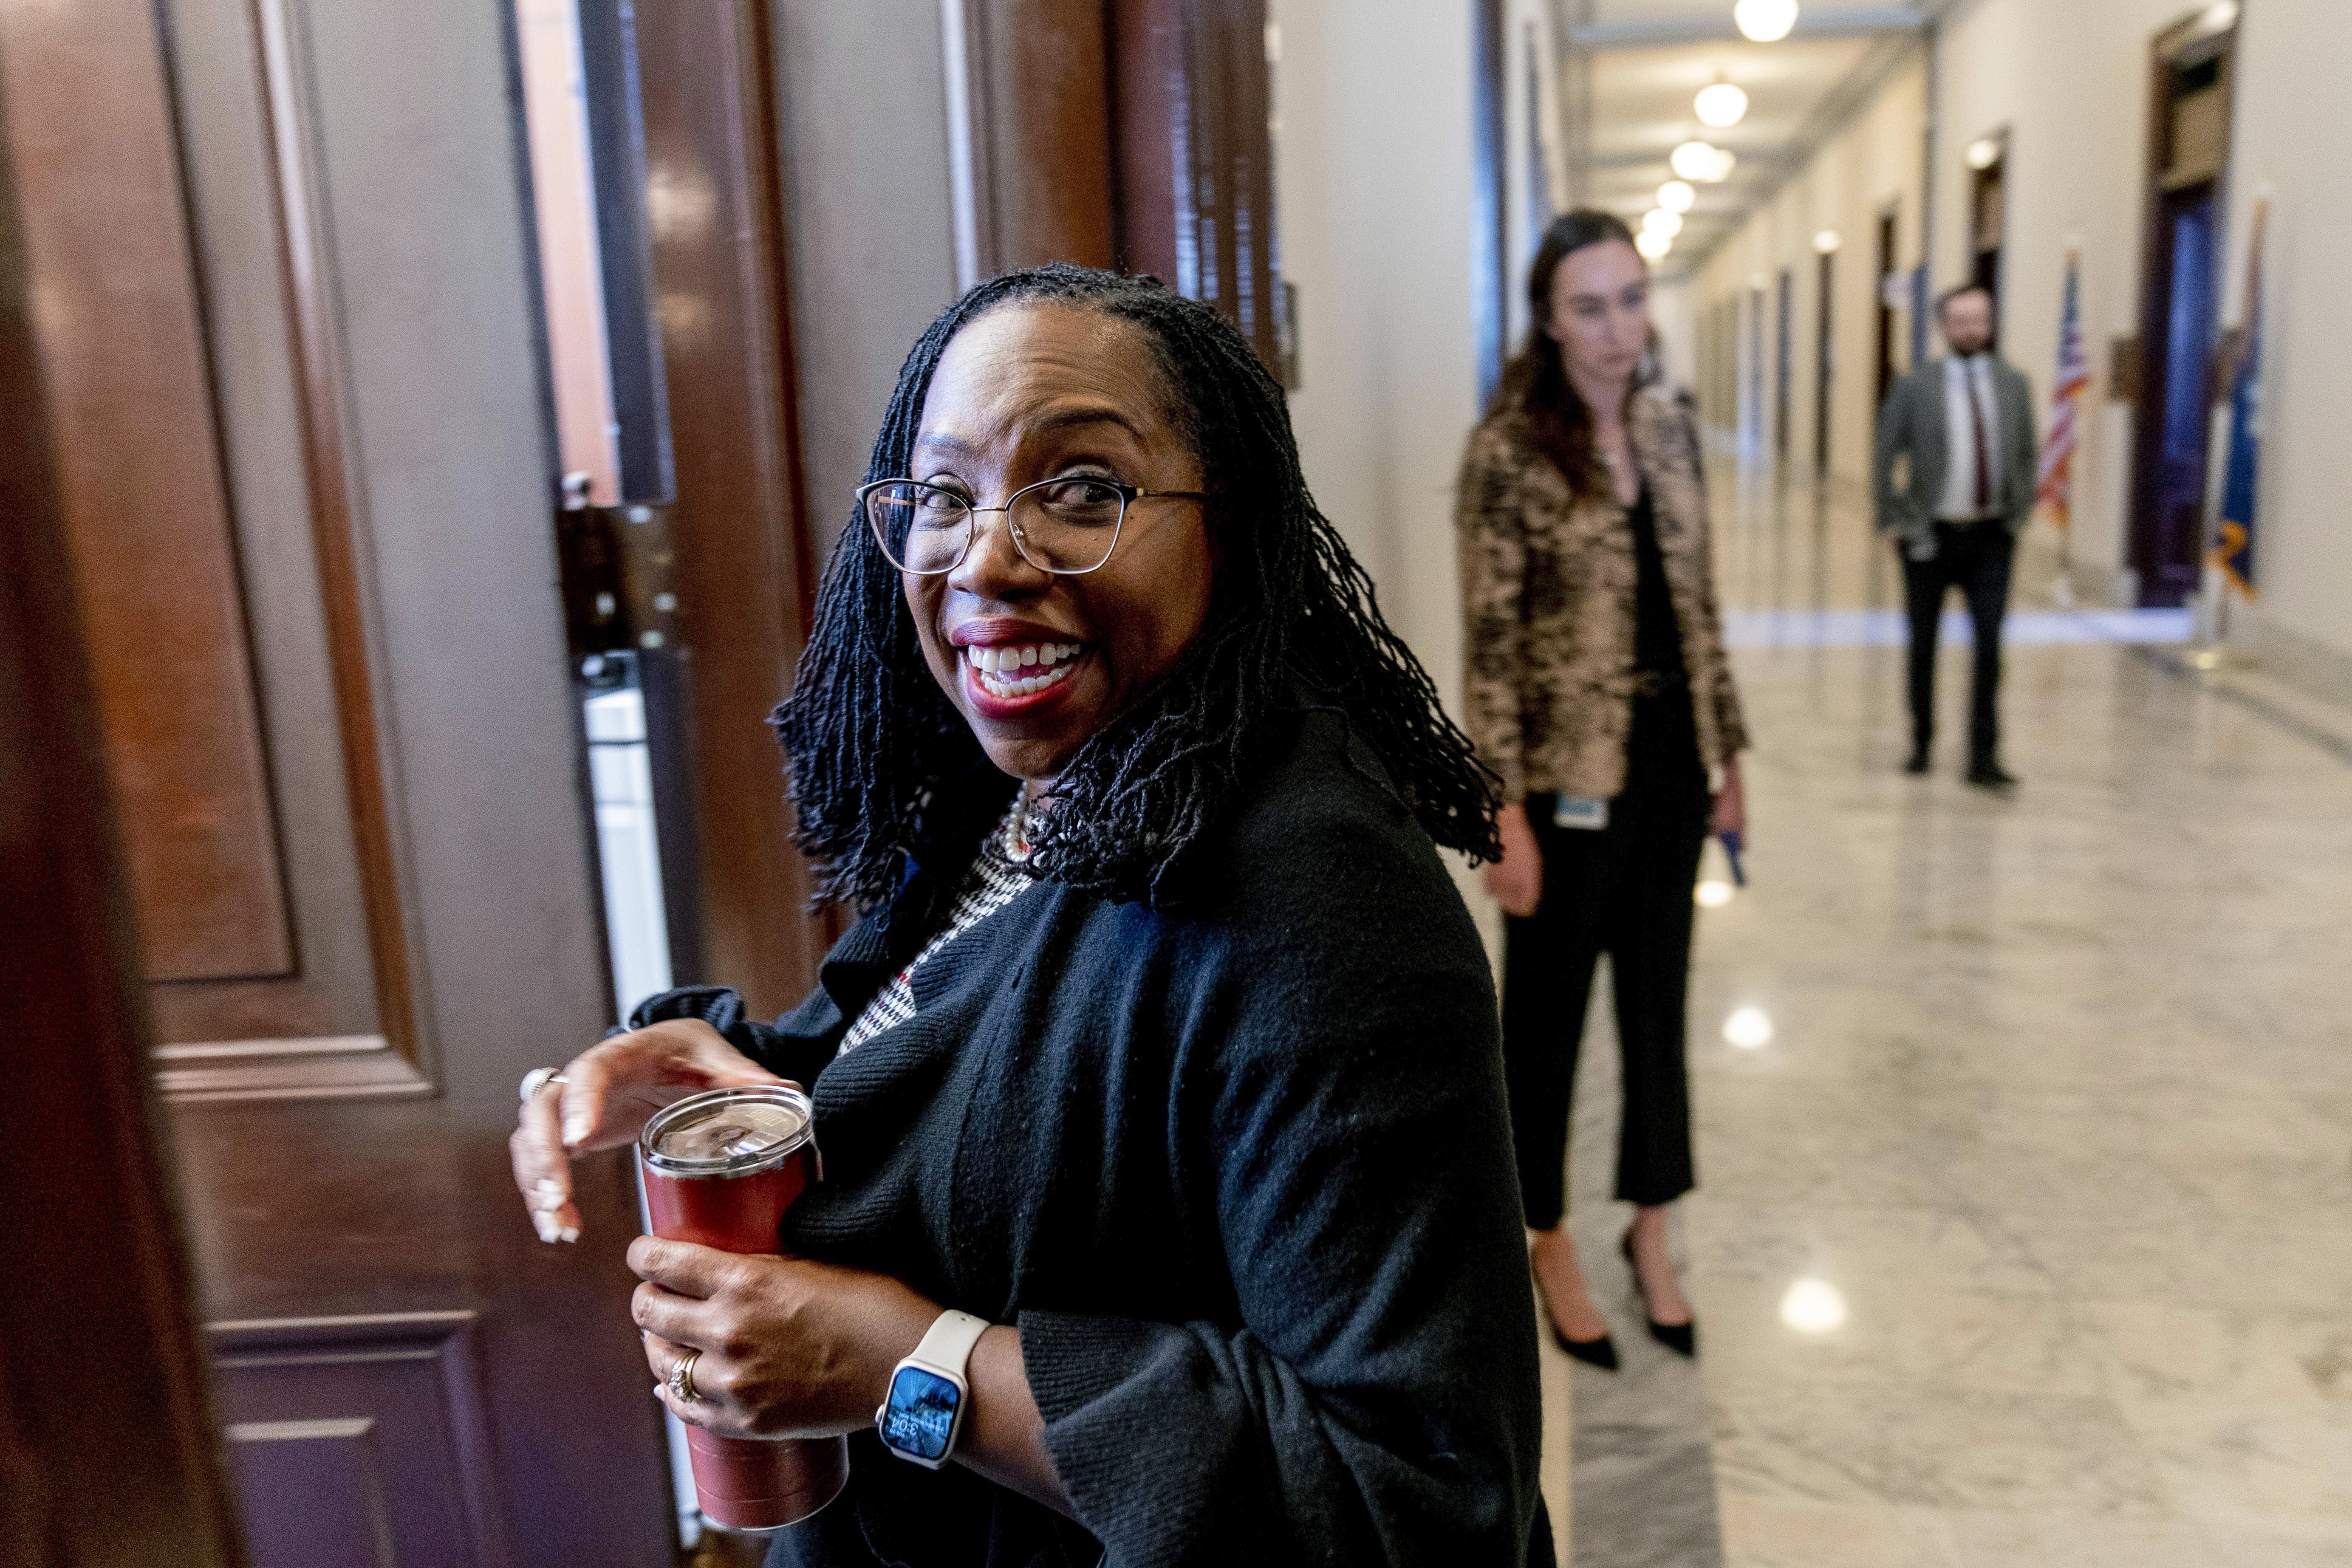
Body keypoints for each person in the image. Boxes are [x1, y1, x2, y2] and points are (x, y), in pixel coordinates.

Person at [510, 266, 1548, 1566]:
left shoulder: (1321, 901)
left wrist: (907, 1368)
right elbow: (992, 1091)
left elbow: (1414, 1503)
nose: (986, 556)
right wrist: (746, 1071)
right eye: (944, 495)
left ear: (1231, 527)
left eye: (1084, 492)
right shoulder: (1033, 792)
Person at [1456, 211, 1749, 1371]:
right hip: (1565, 781)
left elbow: (1701, 603)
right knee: (1547, 1019)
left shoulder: (1674, 435)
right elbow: (1490, 644)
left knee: (1659, 1005)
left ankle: (1654, 1225)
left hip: (1673, 765)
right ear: (1547, 319)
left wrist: (1730, 762)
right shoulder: (1508, 455)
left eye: (1632, 298)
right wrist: (1501, 810)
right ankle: (1549, 1235)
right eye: (1590, 305)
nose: (1618, 327)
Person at [1871, 283, 2038, 788]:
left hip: (1991, 536)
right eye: (1960, 320)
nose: (1971, 329)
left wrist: (2018, 512)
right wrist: (1896, 519)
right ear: (1944, 327)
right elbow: (1885, 456)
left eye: (1979, 319)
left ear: (1990, 322)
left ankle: (1983, 755)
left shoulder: (2013, 383)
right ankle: (1921, 740)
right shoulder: (1916, 385)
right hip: (1931, 538)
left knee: (1989, 647)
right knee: (1923, 643)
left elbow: (2027, 452)